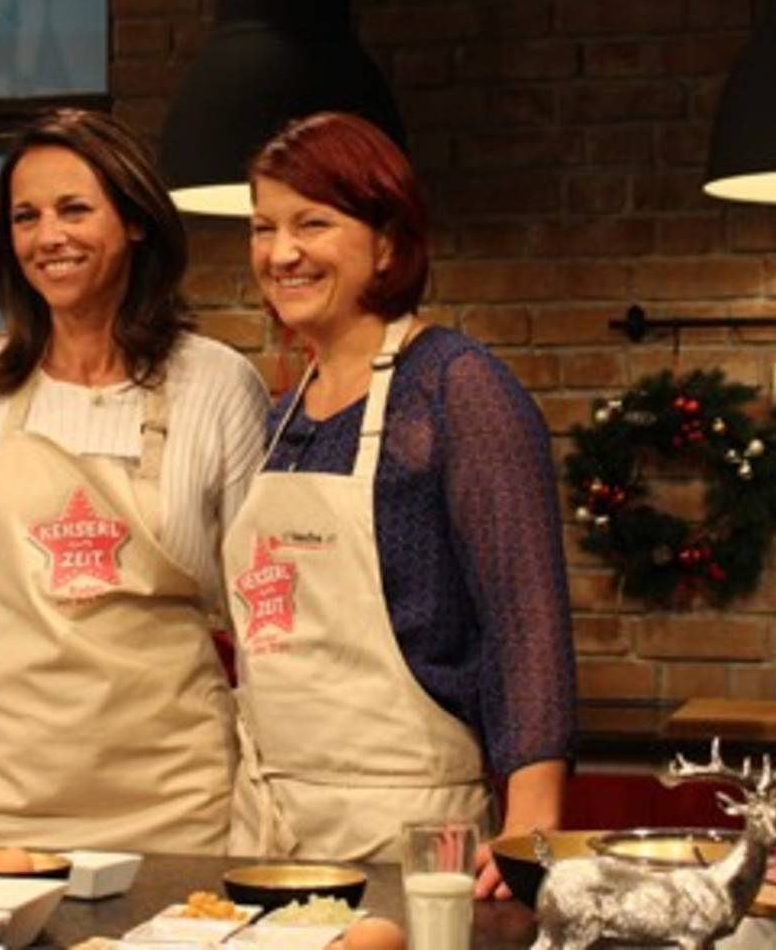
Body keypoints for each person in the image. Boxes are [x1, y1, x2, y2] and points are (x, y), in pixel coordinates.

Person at [0, 108, 268, 853]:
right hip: (1, 810)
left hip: (182, 812)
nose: (47, 235)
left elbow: (265, 624)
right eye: (26, 216)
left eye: (74, 209)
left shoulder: (218, 384)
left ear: (137, 221)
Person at [228, 111, 575, 896]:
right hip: (268, 824)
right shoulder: (284, 411)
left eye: (312, 223)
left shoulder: (456, 388)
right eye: (263, 227)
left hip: (412, 832)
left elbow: (527, 620)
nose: (281, 252)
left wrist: (531, 824)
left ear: (387, 241)